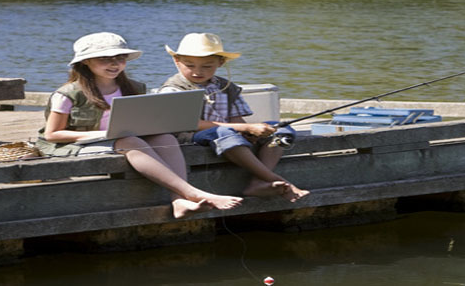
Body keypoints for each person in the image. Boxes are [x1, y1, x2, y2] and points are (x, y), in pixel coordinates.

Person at [37, 31, 243, 218]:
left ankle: (178, 200)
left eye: (120, 58)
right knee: (129, 141)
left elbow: (144, 121)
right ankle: (191, 192)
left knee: (164, 137)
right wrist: (102, 135)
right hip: (73, 145)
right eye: (104, 59)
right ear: (85, 62)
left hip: (121, 139)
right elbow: (52, 135)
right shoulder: (67, 94)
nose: (114, 64)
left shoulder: (133, 87)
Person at [156, 32, 309, 202]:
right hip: (190, 136)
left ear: (220, 63)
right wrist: (243, 128)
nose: (197, 71)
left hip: (228, 132)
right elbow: (190, 123)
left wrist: (248, 132)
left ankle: (257, 182)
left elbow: (236, 120)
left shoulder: (227, 87)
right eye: (189, 65)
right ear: (177, 62)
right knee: (225, 133)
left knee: (279, 129)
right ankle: (277, 179)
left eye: (207, 66)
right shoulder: (173, 89)